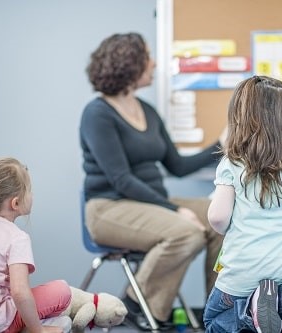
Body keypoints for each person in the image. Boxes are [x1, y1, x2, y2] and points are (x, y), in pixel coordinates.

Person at [80, 32, 224, 330]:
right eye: (148, 56)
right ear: (130, 64)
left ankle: (219, 311)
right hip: (109, 208)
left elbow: (178, 166)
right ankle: (137, 304)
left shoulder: (148, 111)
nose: (155, 63)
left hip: (151, 204)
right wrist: (174, 211)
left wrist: (222, 144)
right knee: (186, 232)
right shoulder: (97, 114)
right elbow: (120, 180)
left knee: (220, 219)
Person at [203, 75, 282, 333]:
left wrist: (228, 228)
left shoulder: (233, 164)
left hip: (242, 276)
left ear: (240, 118)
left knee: (214, 321)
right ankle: (281, 303)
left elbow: (218, 218)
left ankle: (248, 314)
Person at [0, 157, 72, 332]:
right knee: (62, 292)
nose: (32, 194)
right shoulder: (16, 237)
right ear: (16, 203)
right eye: (29, 190)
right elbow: (20, 293)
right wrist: (38, 330)